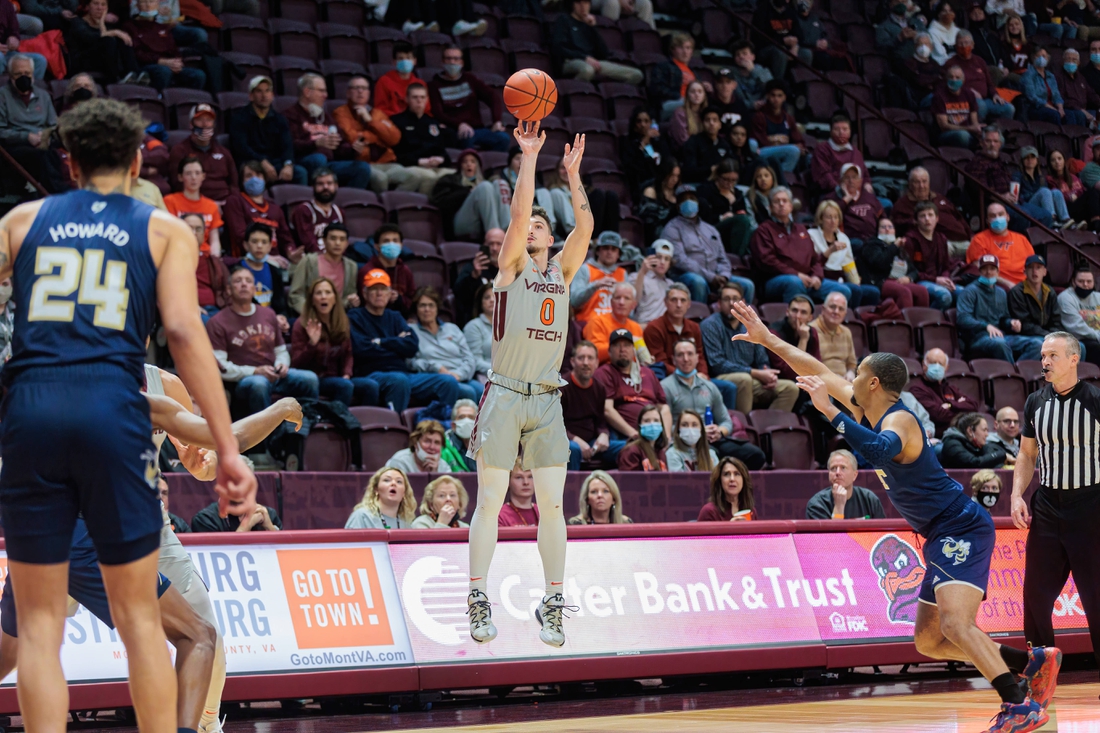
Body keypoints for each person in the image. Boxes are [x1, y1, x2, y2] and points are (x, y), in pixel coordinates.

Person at [0, 98, 255, 733]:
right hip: (113, 409)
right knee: (143, 621)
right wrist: (225, 448)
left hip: (30, 409)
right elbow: (184, 335)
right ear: (139, 160)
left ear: (69, 161)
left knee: (36, 628)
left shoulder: (22, 220)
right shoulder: (163, 228)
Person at [729, 298, 1058, 729]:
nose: (850, 376)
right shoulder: (867, 406)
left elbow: (877, 449)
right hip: (939, 532)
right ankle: (1027, 661)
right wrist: (767, 338)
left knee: (958, 626)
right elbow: (813, 366)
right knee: (929, 640)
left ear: (873, 382)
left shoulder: (900, 421)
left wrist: (829, 412)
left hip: (960, 527)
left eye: (859, 371)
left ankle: (1018, 703)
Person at [462, 122, 593, 647]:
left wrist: (574, 174)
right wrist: (530, 157)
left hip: (547, 397)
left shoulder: (561, 272)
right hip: (506, 391)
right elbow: (518, 213)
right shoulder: (511, 267)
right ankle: (477, 598)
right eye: (531, 224)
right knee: (491, 499)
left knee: (555, 506)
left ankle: (554, 602)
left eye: (542, 223)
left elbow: (583, 229)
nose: (534, 226)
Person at [1012, 332, 1100, 680]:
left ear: (1074, 359)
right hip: (1047, 506)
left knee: (1096, 599)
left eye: (1053, 355)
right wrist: (1017, 494)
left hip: (1090, 507)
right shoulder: (1035, 402)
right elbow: (1026, 453)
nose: (1045, 362)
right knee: (1035, 598)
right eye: (1043, 355)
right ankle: (1040, 679)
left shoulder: (1094, 400)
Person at [207, 267, 319, 418]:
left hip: (273, 374)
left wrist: (282, 365)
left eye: (248, 281)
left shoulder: (268, 313)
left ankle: (305, 426)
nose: (244, 285)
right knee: (259, 384)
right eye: (238, 281)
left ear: (254, 289)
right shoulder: (217, 322)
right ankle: (266, 438)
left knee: (310, 379)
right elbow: (220, 368)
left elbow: (281, 350)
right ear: (228, 290)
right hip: (243, 380)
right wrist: (254, 371)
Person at [349, 268, 461, 411]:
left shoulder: (395, 316)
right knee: (398, 380)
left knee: (448, 381)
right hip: (372, 374)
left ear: (390, 293)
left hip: (404, 374)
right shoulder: (355, 317)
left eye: (383, 289)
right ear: (364, 293)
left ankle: (439, 425)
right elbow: (362, 349)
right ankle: (395, 427)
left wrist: (380, 342)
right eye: (374, 289)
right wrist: (397, 345)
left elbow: (412, 346)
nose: (379, 293)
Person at [702, 283, 798, 415]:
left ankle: (767, 429)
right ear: (718, 303)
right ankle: (744, 428)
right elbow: (717, 364)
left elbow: (762, 359)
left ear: (743, 302)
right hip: (723, 378)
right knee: (744, 379)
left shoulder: (752, 325)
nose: (731, 303)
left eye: (735, 299)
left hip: (751, 379)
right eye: (726, 299)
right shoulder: (710, 325)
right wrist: (754, 373)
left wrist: (768, 374)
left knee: (790, 388)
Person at [753, 187, 853, 305]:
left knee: (843, 291)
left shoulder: (801, 229)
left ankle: (822, 322)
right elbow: (767, 261)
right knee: (795, 282)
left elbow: (815, 260)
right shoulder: (764, 230)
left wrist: (817, 276)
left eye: (785, 201)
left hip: (807, 279)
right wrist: (797, 275)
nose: (781, 204)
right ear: (769, 207)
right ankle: (795, 321)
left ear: (791, 206)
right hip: (776, 280)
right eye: (776, 201)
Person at [333, 75, 426, 195]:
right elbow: (351, 137)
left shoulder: (378, 113)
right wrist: (378, 137)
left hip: (386, 162)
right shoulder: (340, 113)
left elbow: (394, 138)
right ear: (348, 93)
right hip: (364, 163)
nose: (360, 91)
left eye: (364, 88)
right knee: (380, 179)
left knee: (414, 177)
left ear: (368, 93)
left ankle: (391, 205)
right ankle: (381, 207)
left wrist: (369, 120)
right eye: (356, 88)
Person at [665, 186, 755, 305]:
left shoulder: (710, 229)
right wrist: (710, 277)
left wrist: (725, 276)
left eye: (692, 198)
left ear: (698, 203)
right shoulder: (671, 229)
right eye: (683, 200)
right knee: (698, 282)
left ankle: (743, 322)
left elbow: (723, 258)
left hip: (716, 277)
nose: (688, 202)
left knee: (747, 285)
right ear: (678, 206)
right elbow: (681, 261)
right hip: (686, 276)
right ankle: (698, 318)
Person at [284, 73, 371, 191]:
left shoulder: (326, 118)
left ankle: (344, 205)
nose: (326, 95)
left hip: (329, 164)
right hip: (304, 161)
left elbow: (340, 145)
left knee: (362, 168)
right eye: (321, 91)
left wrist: (353, 149)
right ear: (307, 92)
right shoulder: (290, 115)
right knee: (318, 158)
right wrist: (316, 143)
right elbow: (290, 145)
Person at [957, 254, 1043, 363]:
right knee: (1000, 344)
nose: (988, 272)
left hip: (1001, 335)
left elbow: (1003, 319)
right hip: (978, 338)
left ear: (998, 272)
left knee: (1037, 345)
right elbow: (962, 318)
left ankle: (1017, 373)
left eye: (992, 269)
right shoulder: (969, 291)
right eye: (985, 269)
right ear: (979, 271)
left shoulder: (1001, 292)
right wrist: (985, 326)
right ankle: (1013, 376)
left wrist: (1011, 323)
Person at [964, 127, 1052, 232]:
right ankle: (1016, 245)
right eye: (988, 141)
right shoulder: (977, 163)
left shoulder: (999, 161)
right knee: (1023, 215)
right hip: (994, 204)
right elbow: (980, 189)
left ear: (1000, 144)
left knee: (1046, 216)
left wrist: (1012, 195)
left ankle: (1032, 246)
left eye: (995, 141)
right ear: (982, 143)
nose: (992, 145)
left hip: (1014, 202)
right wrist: (1001, 197)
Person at [428, 46, 509, 153]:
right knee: (466, 137)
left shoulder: (470, 79)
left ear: (461, 62)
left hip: (477, 129)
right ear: (442, 62)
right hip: (455, 130)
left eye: (456, 59)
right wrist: (459, 124)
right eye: (449, 59)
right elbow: (438, 113)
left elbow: (493, 97)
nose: (452, 62)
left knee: (503, 138)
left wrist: (497, 121)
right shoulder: (434, 85)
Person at [0, 54, 63, 192]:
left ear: (33, 75)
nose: (24, 77)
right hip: (16, 145)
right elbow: (1, 131)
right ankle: (55, 195)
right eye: (18, 74)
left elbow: (53, 125)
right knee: (43, 157)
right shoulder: (2, 96)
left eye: (27, 73)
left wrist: (45, 136)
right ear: (10, 76)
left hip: (44, 141)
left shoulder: (44, 95)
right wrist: (26, 137)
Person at [409, 286, 481, 403]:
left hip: (459, 375)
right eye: (422, 305)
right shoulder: (411, 331)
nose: (427, 309)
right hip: (435, 377)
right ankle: (464, 421)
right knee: (468, 392)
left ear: (437, 308)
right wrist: (435, 367)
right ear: (416, 308)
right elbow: (410, 362)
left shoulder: (452, 328)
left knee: (485, 392)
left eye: (431, 305)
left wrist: (459, 374)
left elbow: (469, 358)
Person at [290, 277, 354, 407]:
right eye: (318, 293)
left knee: (370, 386)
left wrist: (347, 373)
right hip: (313, 379)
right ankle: (338, 421)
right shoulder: (302, 324)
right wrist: (312, 344)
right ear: (312, 301)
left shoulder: (342, 322)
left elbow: (348, 354)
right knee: (344, 386)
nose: (323, 297)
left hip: (337, 377)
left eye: (328, 292)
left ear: (335, 299)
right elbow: (296, 363)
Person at [561, 340, 621, 470]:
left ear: (597, 363)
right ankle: (572, 489)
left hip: (593, 443)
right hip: (568, 441)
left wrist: (604, 434)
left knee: (626, 448)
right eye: (581, 358)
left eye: (590, 358)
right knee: (573, 449)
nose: (586, 363)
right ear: (572, 362)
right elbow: (554, 426)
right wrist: (575, 440)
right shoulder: (562, 388)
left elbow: (601, 423)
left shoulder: (599, 388)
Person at [228, 77, 299, 187]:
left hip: (274, 162)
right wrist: (262, 161)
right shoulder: (239, 118)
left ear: (272, 95)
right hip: (251, 162)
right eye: (259, 91)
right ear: (251, 96)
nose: (264, 95)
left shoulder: (280, 119)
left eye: (267, 91)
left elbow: (287, 145)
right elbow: (241, 148)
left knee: (299, 172)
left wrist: (288, 165)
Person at [551, 0, 644, 84]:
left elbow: (604, 53)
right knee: (588, 70)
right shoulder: (564, 20)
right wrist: (584, 58)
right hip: (570, 60)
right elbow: (558, 47)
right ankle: (572, 92)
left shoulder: (589, 23)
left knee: (636, 75)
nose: (583, 7)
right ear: (572, 4)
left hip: (592, 61)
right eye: (578, 2)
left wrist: (593, 28)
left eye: (586, 3)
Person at [122, 0, 205, 91]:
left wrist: (177, 62)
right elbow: (137, 53)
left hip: (168, 64)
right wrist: (160, 61)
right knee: (163, 71)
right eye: (144, 2)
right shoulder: (130, 26)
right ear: (137, 5)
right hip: (149, 65)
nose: (148, 6)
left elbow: (173, 49)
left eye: (151, 2)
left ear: (157, 4)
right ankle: (159, 99)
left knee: (198, 75)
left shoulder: (162, 26)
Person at [222, 160, 295, 257]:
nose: (254, 179)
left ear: (265, 179)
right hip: (247, 260)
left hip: (277, 260)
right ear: (242, 181)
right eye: (249, 176)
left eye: (258, 175)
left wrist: (291, 252)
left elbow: (286, 238)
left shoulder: (275, 208)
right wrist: (266, 258)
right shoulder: (235, 201)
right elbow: (240, 236)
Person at [892, 166, 972, 254]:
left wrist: (971, 234)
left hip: (964, 239)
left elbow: (958, 216)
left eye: (924, 181)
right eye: (917, 182)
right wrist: (915, 222)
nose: (921, 186)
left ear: (929, 183)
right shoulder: (902, 204)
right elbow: (897, 225)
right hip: (940, 243)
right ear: (910, 184)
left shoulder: (939, 197)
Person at [431, 149, 506, 242]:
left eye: (473, 161)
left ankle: (508, 232)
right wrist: (467, 191)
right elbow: (439, 201)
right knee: (484, 186)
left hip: (483, 222)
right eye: (465, 162)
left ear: (477, 166)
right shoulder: (450, 180)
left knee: (500, 183)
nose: (469, 164)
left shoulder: (487, 181)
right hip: (460, 222)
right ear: (460, 166)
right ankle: (495, 239)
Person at [809, 199, 873, 307]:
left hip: (838, 279)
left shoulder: (843, 238)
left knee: (872, 292)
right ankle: (848, 316)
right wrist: (830, 250)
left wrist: (856, 281)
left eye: (836, 217)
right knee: (852, 291)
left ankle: (857, 319)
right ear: (821, 219)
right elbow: (813, 263)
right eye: (829, 217)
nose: (833, 221)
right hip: (820, 278)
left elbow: (848, 264)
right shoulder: (811, 235)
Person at [168, 104, 237, 203]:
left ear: (214, 124)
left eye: (209, 120)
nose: (205, 124)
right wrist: (207, 205)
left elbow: (234, 186)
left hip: (225, 203)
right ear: (191, 124)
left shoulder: (224, 152)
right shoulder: (179, 151)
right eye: (200, 120)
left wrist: (231, 204)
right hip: (195, 202)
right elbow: (177, 185)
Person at [62, 0, 139, 85]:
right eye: (95, 3)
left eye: (103, 5)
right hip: (82, 62)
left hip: (102, 61)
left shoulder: (107, 27)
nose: (99, 8)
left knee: (123, 39)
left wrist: (102, 23)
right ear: (87, 7)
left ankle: (134, 75)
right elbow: (89, 37)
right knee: (109, 40)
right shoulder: (77, 22)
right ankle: (114, 81)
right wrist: (114, 32)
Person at [289, 223, 359, 314]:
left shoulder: (351, 266)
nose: (337, 243)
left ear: (346, 244)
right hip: (310, 314)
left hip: (339, 317)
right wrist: (310, 314)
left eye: (342, 240)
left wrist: (352, 300)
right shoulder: (308, 261)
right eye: (333, 239)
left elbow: (349, 296)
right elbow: (295, 295)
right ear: (324, 241)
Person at [908, 347, 977, 435]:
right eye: (933, 362)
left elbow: (973, 406)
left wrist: (950, 404)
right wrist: (959, 405)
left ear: (946, 368)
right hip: (938, 437)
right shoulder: (917, 390)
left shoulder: (950, 388)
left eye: (940, 363)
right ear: (924, 365)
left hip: (958, 435)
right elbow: (937, 415)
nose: (937, 366)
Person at [966, 202, 1036, 287]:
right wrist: (1009, 284)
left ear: (1008, 217)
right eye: (993, 216)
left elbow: (1033, 266)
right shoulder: (979, 240)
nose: (997, 218)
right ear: (987, 221)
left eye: (1000, 214)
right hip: (999, 286)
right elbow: (979, 269)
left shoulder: (1022, 239)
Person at [901, 202, 956, 309]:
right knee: (944, 296)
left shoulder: (941, 238)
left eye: (930, 215)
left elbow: (946, 266)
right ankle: (931, 322)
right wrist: (935, 280)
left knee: (963, 293)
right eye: (922, 216)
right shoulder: (910, 240)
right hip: (919, 280)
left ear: (937, 218)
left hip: (938, 280)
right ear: (916, 221)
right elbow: (911, 271)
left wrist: (945, 279)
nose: (927, 219)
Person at [163, 157, 222, 256]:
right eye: (188, 173)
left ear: (203, 176)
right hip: (178, 254)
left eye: (197, 173)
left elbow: (215, 241)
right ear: (180, 177)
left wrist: (215, 261)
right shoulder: (169, 201)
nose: (193, 177)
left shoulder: (212, 206)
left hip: (204, 256)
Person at [806, 449, 887, 519]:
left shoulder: (869, 499)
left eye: (843, 468)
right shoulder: (817, 504)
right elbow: (831, 537)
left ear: (854, 475)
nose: (837, 473)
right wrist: (839, 506)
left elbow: (883, 534)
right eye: (833, 468)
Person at [953, 30, 1015, 122]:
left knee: (1009, 108)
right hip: (965, 100)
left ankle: (998, 134)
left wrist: (995, 95)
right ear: (956, 46)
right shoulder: (951, 63)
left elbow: (989, 83)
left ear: (973, 45)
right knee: (980, 105)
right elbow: (951, 85)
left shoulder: (980, 61)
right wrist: (969, 91)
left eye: (966, 43)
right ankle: (979, 133)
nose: (964, 46)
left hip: (986, 99)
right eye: (961, 44)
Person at [696, 158, 754, 257]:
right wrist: (721, 217)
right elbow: (702, 216)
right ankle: (737, 257)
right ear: (718, 176)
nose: (729, 183)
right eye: (726, 179)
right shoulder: (706, 190)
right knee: (742, 221)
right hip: (712, 228)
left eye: (733, 180)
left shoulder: (738, 194)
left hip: (734, 230)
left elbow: (742, 212)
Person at [582, 283, 651, 365]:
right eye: (618, 298)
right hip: (605, 371)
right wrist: (625, 344)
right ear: (611, 302)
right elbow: (594, 353)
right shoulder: (597, 322)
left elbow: (638, 357)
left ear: (633, 305)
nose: (621, 302)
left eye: (627, 298)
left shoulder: (636, 327)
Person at [570, 230, 628, 323]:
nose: (609, 252)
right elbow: (574, 301)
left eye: (613, 249)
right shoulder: (585, 269)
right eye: (605, 248)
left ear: (619, 254)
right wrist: (595, 286)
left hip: (615, 324)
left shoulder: (622, 273)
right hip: (589, 322)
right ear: (597, 251)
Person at [1022, 46, 1089, 126]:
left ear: (1048, 58)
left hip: (1052, 107)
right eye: (1038, 56)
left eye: (1044, 56)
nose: (1041, 58)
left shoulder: (1050, 75)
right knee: (1054, 115)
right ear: (1033, 58)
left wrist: (1060, 108)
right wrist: (1051, 108)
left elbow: (1056, 95)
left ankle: (1075, 137)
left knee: (1075, 115)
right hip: (1036, 108)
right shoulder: (1028, 75)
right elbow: (1032, 97)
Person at [288, 168, 345, 260]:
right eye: (320, 184)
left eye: (329, 183)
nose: (325, 187)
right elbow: (308, 244)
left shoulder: (339, 212)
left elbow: (343, 241)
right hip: (309, 260)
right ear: (313, 187)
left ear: (336, 186)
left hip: (334, 259)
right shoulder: (304, 210)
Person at [359, 223, 416, 314]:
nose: (391, 244)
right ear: (377, 246)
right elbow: (362, 301)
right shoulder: (367, 271)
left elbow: (412, 300)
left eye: (395, 240)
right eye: (386, 241)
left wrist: (399, 299)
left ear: (401, 245)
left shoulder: (405, 271)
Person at [1012, 146, 1074, 229]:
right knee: (1044, 191)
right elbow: (1016, 197)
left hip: (1040, 207)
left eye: (1033, 157)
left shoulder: (1040, 177)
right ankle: (1052, 220)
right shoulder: (1017, 175)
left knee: (1056, 192)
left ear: (1037, 160)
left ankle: (1065, 219)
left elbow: (1046, 197)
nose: (1030, 160)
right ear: (1022, 161)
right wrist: (1036, 195)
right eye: (1027, 157)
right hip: (1027, 206)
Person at [811, 112, 871, 195]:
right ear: (831, 131)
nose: (841, 132)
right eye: (837, 129)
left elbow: (864, 174)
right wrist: (841, 191)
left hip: (857, 194)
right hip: (832, 193)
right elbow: (824, 176)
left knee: (885, 203)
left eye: (845, 129)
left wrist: (867, 184)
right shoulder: (822, 149)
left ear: (850, 131)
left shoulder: (856, 152)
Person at [750, 80, 803, 174]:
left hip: (782, 152)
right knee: (793, 150)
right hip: (762, 152)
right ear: (767, 96)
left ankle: (783, 177)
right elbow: (761, 142)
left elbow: (798, 139)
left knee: (802, 154)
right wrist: (782, 144)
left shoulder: (788, 118)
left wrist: (800, 146)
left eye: (779, 96)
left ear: (784, 97)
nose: (776, 99)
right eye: (773, 95)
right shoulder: (759, 116)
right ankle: (780, 179)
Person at [826, 163, 884, 246]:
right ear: (840, 181)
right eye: (847, 178)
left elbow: (882, 216)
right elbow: (830, 215)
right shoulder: (832, 199)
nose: (851, 181)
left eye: (854, 177)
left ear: (860, 181)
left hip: (872, 240)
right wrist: (846, 199)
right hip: (849, 242)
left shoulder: (869, 197)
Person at [1008, 254, 1063, 342]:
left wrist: (1054, 335)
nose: (1034, 271)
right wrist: (1047, 335)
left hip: (1047, 335)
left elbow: (1056, 321)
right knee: (1040, 344)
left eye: (1038, 267)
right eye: (1030, 268)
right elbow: (1025, 324)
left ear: (1044, 272)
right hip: (1027, 336)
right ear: (1025, 272)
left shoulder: (1050, 291)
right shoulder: (1017, 292)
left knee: (1079, 346)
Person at [453, 227, 504, 322]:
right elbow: (458, 294)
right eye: (490, 244)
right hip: (477, 321)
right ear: (484, 246)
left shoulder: (512, 269)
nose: (494, 248)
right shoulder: (473, 267)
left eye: (498, 244)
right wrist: (473, 276)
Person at [650, 32, 704, 120]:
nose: (685, 51)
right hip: (670, 103)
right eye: (681, 47)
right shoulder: (664, 67)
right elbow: (657, 88)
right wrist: (678, 95)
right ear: (673, 50)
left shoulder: (694, 73)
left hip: (690, 103)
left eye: (688, 48)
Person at [237, 222, 287, 315]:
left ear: (269, 246)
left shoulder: (275, 271)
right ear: (246, 245)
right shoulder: (236, 270)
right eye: (254, 241)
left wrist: (282, 317)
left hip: (272, 319)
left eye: (264, 242)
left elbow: (280, 305)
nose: (259, 246)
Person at [345, 467, 417, 529]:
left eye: (399, 481)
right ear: (376, 489)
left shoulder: (407, 524)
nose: (393, 483)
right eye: (387, 480)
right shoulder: (362, 516)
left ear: (404, 493)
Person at [374, 40, 429, 118]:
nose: (405, 61)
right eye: (400, 58)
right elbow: (380, 109)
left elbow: (426, 109)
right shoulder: (384, 81)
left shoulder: (421, 84)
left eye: (408, 58)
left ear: (414, 61)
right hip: (393, 121)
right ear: (394, 62)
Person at [1047, 150, 1099, 230]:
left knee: (1093, 193)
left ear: (1064, 160)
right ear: (1050, 163)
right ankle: (1097, 226)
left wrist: (1077, 195)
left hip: (1079, 206)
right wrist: (1069, 197)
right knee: (1092, 193)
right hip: (1066, 210)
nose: (1057, 162)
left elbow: (1082, 190)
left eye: (1059, 158)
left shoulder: (1073, 177)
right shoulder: (1050, 179)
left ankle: (1094, 225)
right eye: (1053, 160)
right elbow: (1055, 197)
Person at [810, 292, 857, 381]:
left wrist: (850, 373)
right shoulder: (811, 330)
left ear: (845, 314)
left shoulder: (846, 332)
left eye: (841, 309)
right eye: (832, 307)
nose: (836, 312)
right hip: (819, 381)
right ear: (823, 309)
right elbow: (808, 366)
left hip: (844, 382)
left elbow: (851, 363)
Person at [1057, 266, 1100, 361]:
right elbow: (1077, 326)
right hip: (1078, 338)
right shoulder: (1065, 298)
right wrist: (1098, 336)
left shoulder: (1098, 297)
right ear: (1073, 281)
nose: (1085, 285)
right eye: (1081, 281)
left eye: (1089, 282)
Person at [933, 65, 982, 148]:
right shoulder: (939, 96)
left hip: (966, 130)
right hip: (947, 134)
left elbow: (974, 121)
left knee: (992, 134)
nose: (954, 80)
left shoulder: (969, 94)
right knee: (963, 135)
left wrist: (977, 129)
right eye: (951, 77)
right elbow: (944, 126)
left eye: (957, 77)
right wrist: (969, 129)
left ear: (963, 80)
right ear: (946, 79)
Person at [681, 108, 731, 184]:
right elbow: (688, 170)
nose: (711, 123)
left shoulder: (724, 144)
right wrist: (709, 170)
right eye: (707, 120)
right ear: (702, 124)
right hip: (698, 183)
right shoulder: (693, 142)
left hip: (721, 184)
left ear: (720, 125)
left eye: (715, 120)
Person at [941, 412, 1009, 468]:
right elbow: (974, 463)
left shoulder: (975, 444)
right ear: (970, 431)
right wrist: (1001, 454)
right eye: (984, 430)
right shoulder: (952, 444)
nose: (987, 434)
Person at [387, 418, 454, 474]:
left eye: (437, 443)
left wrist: (434, 475)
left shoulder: (443, 466)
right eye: (427, 441)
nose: (432, 447)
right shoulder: (400, 461)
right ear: (415, 443)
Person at [1052, 48, 1100, 126]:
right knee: (1079, 115)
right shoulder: (1057, 77)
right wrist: (1081, 110)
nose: (1071, 62)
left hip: (1084, 109)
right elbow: (1062, 99)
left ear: (1078, 63)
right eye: (1068, 59)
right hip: (1069, 109)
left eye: (1074, 60)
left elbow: (1091, 94)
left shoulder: (1081, 78)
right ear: (1063, 61)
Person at [633, 239, 676, 326]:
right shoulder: (636, 277)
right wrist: (642, 272)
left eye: (666, 259)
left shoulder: (670, 284)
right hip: (643, 326)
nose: (662, 262)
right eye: (659, 257)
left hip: (664, 329)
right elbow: (634, 302)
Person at [617, 403, 669, 471]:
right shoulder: (631, 451)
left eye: (656, 420)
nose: (652, 424)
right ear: (640, 425)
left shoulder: (661, 452)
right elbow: (628, 480)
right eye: (647, 421)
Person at [667, 408, 718, 473]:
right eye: (684, 425)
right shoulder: (673, 453)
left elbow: (717, 480)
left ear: (701, 430)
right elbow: (677, 481)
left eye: (694, 425)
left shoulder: (711, 454)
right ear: (678, 429)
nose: (690, 429)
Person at [192, 499, 281, 532]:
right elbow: (222, 558)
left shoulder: (268, 514)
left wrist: (270, 528)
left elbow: (284, 554)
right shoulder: (205, 520)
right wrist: (247, 525)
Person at [440, 399, 478, 473]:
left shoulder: (486, 445)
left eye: (471, 417)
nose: (466, 421)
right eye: (461, 417)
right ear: (453, 425)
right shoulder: (443, 445)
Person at [464, 282, 492, 379]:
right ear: (480, 302)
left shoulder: (510, 325)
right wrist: (501, 373)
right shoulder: (473, 326)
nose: (492, 300)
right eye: (487, 297)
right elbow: (474, 360)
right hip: (486, 376)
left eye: (496, 296)